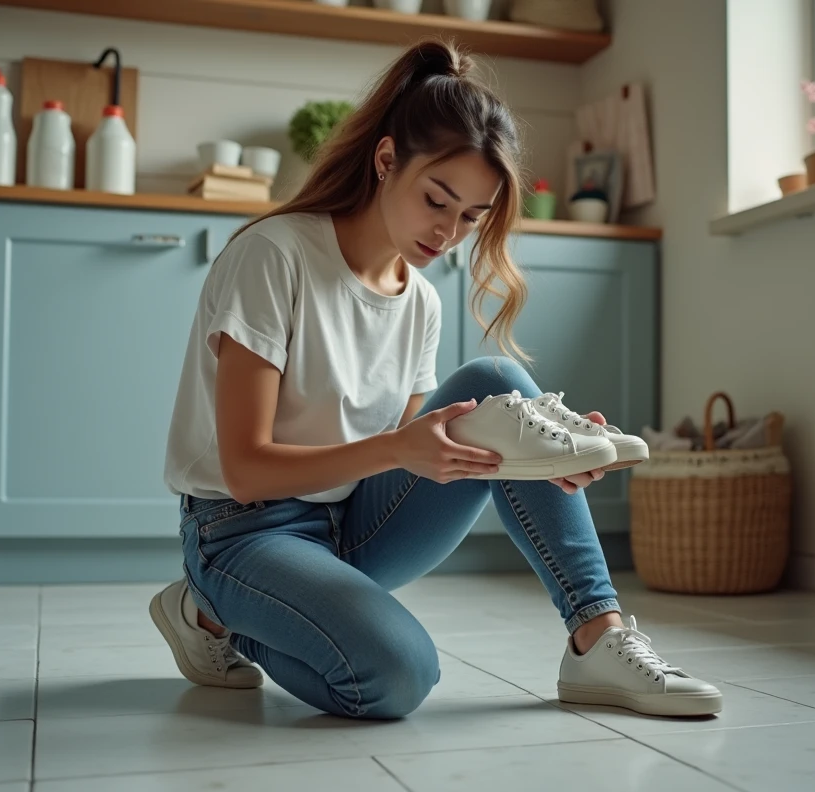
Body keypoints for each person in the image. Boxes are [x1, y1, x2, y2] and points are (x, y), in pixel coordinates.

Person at [150, 38, 722, 720]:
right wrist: (398, 450)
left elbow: (415, 450)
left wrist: (538, 458)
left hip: (350, 524)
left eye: (471, 217)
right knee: (397, 677)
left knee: (497, 378)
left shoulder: (419, 298)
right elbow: (245, 470)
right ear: (387, 159)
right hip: (243, 529)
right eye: (436, 201)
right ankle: (209, 609)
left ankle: (598, 636)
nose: (448, 233)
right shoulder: (274, 257)